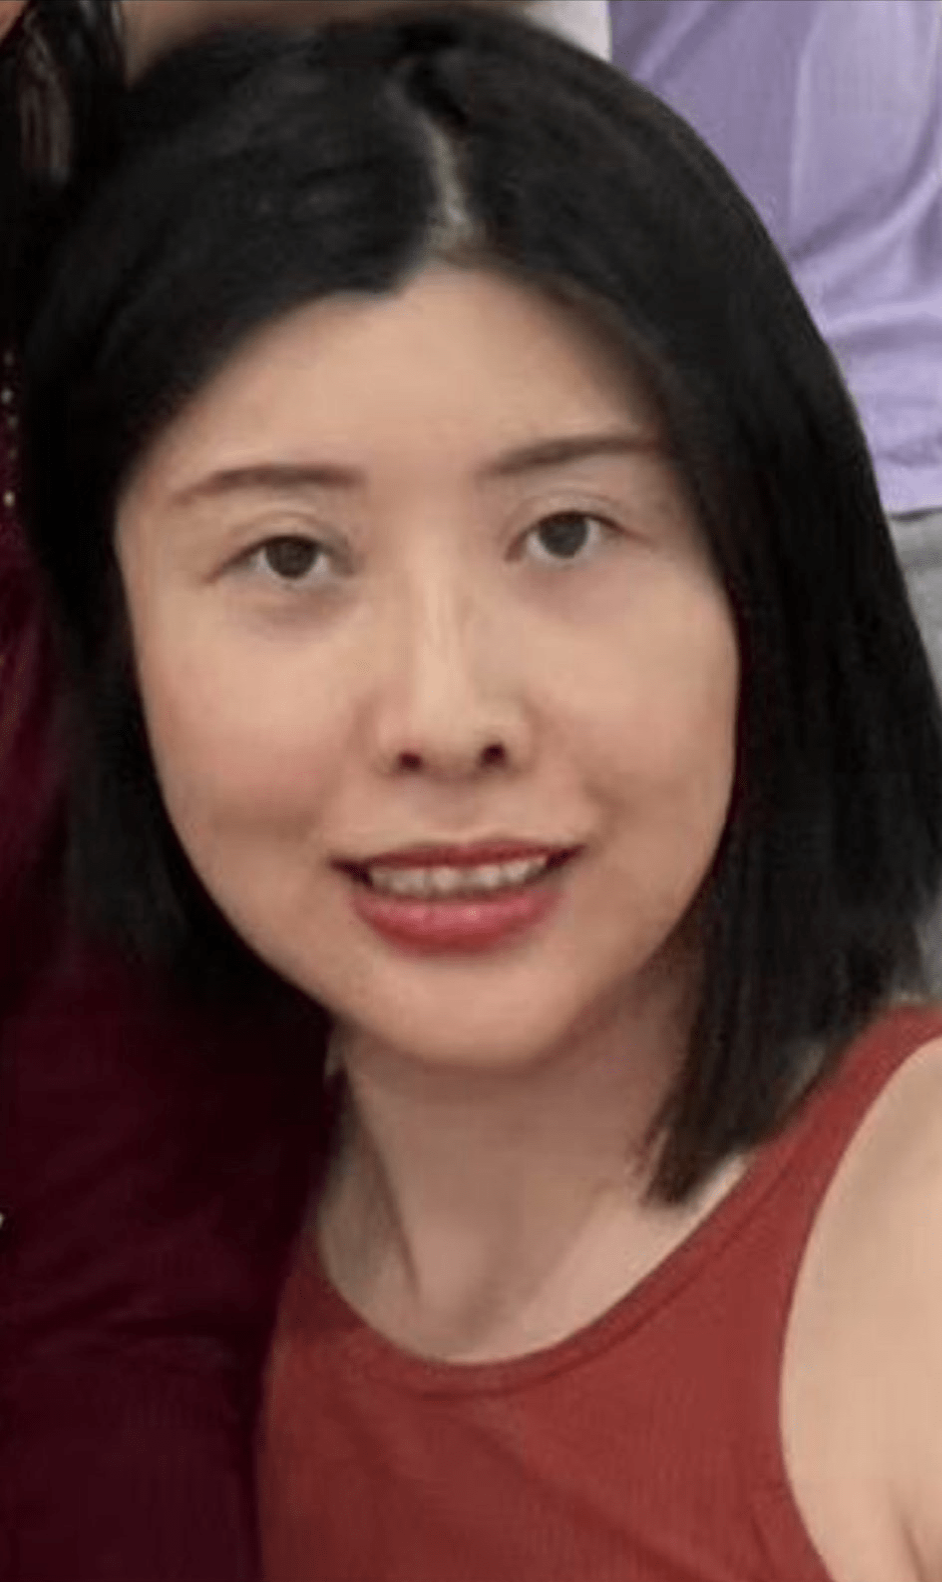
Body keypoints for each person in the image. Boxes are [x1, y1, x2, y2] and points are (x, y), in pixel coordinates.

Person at [18, 9, 942, 1581]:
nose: (446, 717)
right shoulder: (165, 1293)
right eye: (290, 556)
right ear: (111, 645)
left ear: (769, 576)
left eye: (568, 532)